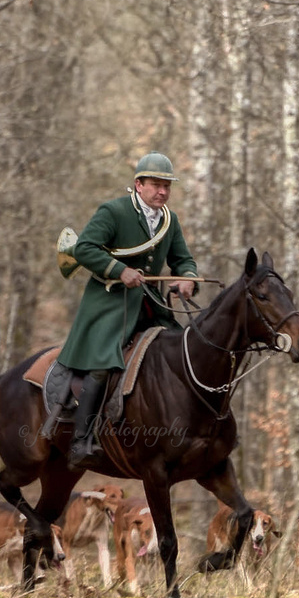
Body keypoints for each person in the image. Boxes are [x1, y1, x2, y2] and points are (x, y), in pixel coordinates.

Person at [57, 152, 199, 468]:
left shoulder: (169, 221)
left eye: (167, 186)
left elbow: (183, 259)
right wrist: (119, 270)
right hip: (110, 303)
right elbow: (84, 248)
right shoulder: (113, 211)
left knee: (184, 353)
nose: (162, 192)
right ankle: (81, 440)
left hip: (151, 304)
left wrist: (188, 278)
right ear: (138, 184)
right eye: (156, 185)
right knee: (104, 361)